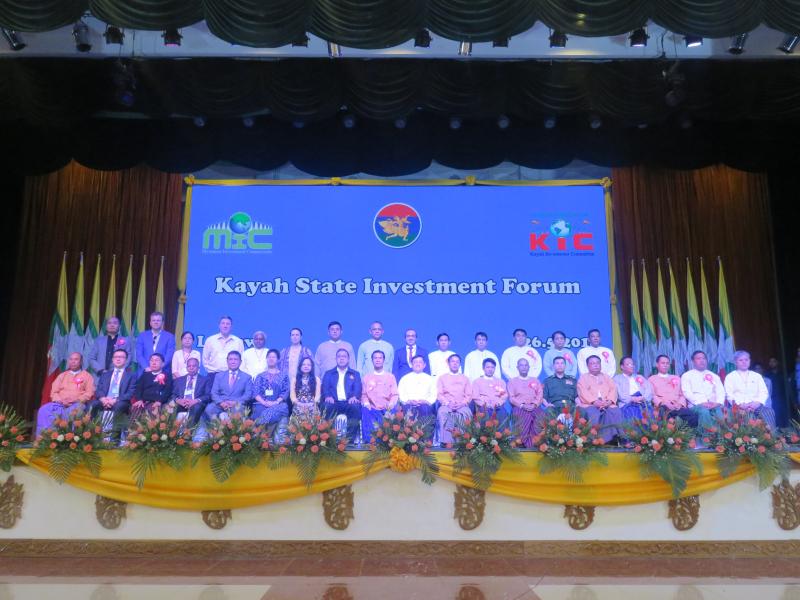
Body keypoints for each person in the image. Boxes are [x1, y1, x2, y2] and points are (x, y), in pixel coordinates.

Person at [36, 352, 96, 435]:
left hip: (77, 404)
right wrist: (60, 401)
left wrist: (76, 400)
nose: (73, 361)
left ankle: (67, 438)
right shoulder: (62, 375)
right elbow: (54, 391)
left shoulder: (87, 376)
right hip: (60, 404)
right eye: (71, 359)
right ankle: (46, 437)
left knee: (74, 413)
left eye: (76, 359)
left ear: (81, 362)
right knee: (44, 410)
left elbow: (89, 392)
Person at [89, 348, 136, 439]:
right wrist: (103, 399)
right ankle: (93, 436)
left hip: (121, 401)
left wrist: (115, 400)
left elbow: (131, 392)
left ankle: (114, 439)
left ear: (126, 360)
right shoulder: (105, 374)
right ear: (112, 359)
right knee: (93, 405)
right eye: (116, 357)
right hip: (105, 400)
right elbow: (99, 390)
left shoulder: (131, 375)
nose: (118, 359)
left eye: (121, 357)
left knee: (119, 406)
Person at [724, 350, 776, 430]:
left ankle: (771, 436)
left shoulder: (757, 376)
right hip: (739, 407)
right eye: (741, 360)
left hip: (756, 405)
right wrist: (740, 405)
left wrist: (757, 403)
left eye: (746, 360)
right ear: (735, 362)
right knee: (743, 415)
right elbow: (729, 394)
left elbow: (764, 392)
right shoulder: (730, 377)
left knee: (769, 412)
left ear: (749, 361)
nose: (744, 362)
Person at [576, 355, 623, 444]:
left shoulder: (607, 377)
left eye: (597, 363)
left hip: (607, 403)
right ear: (588, 366)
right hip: (589, 404)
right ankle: (594, 440)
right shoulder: (583, 378)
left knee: (615, 411)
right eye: (592, 363)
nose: (596, 365)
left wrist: (609, 401)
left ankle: (616, 438)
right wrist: (594, 401)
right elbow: (582, 392)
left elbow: (613, 389)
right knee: (593, 413)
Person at [321, 348, 363, 441]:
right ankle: (330, 439)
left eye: (344, 356)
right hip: (334, 402)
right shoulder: (329, 373)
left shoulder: (355, 374)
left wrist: (355, 396)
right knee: (327, 406)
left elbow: (358, 387)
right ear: (336, 359)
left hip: (348, 402)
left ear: (348, 359)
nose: (341, 358)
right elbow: (325, 387)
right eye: (339, 356)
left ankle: (349, 439)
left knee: (355, 407)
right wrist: (327, 396)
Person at [681, 350, 725, 430]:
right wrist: (701, 403)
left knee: (719, 412)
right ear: (693, 361)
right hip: (696, 405)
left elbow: (721, 391)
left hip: (713, 404)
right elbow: (687, 393)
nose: (702, 360)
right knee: (704, 411)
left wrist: (717, 403)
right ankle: (707, 436)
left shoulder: (714, 375)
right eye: (698, 358)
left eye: (704, 358)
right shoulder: (686, 376)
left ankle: (721, 435)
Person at [251, 349, 290, 440]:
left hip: (278, 404)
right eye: (269, 357)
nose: (271, 359)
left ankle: (266, 437)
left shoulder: (284, 376)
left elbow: (286, 391)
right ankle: (262, 439)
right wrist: (264, 402)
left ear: (278, 360)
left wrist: (275, 402)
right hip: (261, 403)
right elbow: (255, 392)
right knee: (259, 410)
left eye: (273, 357)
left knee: (282, 408)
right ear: (266, 359)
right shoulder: (260, 376)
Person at [361, 350, 399, 442]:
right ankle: (370, 442)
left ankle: (389, 442)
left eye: (380, 358)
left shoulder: (390, 377)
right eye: (375, 358)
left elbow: (395, 395)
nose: (378, 360)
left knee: (394, 411)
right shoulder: (366, 377)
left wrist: (391, 404)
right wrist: (366, 403)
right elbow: (364, 395)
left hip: (387, 408)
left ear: (383, 360)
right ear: (372, 360)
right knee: (365, 410)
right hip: (372, 407)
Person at [649, 355, 697, 427]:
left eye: (667, 363)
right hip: (663, 407)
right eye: (663, 363)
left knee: (692, 417)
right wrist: (663, 403)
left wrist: (680, 404)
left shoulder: (676, 378)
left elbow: (682, 394)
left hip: (677, 406)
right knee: (664, 415)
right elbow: (652, 395)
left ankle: (686, 434)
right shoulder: (652, 379)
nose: (665, 365)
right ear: (657, 365)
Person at [508, 357, 546, 448]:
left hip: (534, 406)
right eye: (521, 365)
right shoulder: (512, 381)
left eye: (526, 365)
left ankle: (536, 443)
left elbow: (540, 394)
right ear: (517, 367)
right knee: (524, 417)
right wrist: (522, 405)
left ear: (529, 367)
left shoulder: (535, 380)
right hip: (520, 407)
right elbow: (511, 398)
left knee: (541, 415)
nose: (524, 367)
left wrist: (534, 404)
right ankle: (521, 443)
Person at [436, 354, 473, 445]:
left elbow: (469, 395)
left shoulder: (465, 378)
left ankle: (463, 441)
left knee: (467, 413)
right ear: (448, 363)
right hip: (447, 404)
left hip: (462, 405)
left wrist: (462, 403)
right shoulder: (442, 378)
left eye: (457, 362)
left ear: (460, 364)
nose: (455, 363)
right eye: (452, 361)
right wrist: (448, 403)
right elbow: (439, 394)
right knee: (442, 412)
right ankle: (447, 442)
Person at [169, 356, 211, 427]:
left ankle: (188, 431)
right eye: (189, 366)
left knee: (195, 407)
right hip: (181, 403)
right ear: (186, 368)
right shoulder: (179, 380)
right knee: (170, 406)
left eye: (194, 366)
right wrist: (178, 400)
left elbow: (208, 395)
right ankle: (171, 431)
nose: (191, 368)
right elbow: (173, 394)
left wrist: (195, 401)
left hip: (196, 403)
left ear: (198, 368)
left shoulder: (205, 380)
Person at [132, 353, 173, 419]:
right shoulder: (145, 375)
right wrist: (139, 400)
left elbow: (168, 391)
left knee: (153, 409)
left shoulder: (167, 376)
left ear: (162, 364)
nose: (154, 363)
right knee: (136, 408)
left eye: (157, 360)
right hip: (144, 401)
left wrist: (160, 401)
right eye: (152, 360)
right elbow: (138, 388)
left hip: (159, 402)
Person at [613, 356, 654, 420]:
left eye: (632, 364)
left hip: (642, 401)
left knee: (649, 412)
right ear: (622, 367)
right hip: (628, 403)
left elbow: (648, 389)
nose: (631, 366)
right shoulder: (617, 379)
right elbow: (620, 394)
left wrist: (643, 397)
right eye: (628, 364)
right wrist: (632, 399)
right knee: (631, 413)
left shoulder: (639, 377)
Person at [397, 355, 437, 420]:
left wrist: (426, 401)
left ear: (424, 365)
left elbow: (434, 394)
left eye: (420, 362)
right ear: (411, 365)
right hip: (409, 404)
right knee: (407, 410)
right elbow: (401, 393)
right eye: (415, 362)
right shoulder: (404, 378)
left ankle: (424, 427)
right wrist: (408, 401)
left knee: (425, 409)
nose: (418, 364)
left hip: (425, 404)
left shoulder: (430, 379)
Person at [765, 357, 789, 427]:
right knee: (774, 421)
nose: (772, 363)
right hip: (772, 402)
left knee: (785, 421)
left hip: (783, 401)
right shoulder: (767, 376)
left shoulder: (783, 374)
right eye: (770, 362)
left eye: (774, 361)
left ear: (777, 362)